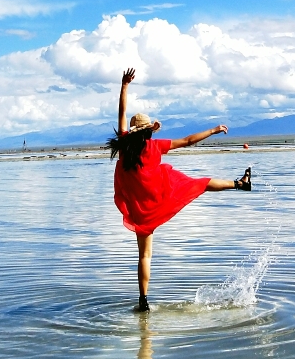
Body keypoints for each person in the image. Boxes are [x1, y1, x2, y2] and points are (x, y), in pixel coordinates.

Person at [108, 68, 252, 311]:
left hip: (139, 209)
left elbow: (121, 112)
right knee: (202, 183)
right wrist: (213, 130)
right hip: (160, 197)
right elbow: (187, 140)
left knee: (144, 256)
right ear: (149, 131)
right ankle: (240, 184)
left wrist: (124, 85)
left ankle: (143, 301)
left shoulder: (124, 146)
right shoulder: (154, 146)